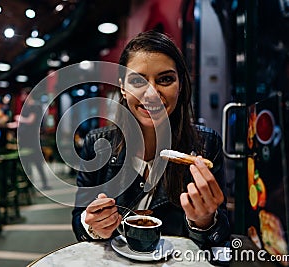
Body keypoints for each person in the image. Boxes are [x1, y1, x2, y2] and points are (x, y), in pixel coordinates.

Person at [72, 30, 230, 248]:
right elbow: (78, 221)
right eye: (138, 81)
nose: (152, 93)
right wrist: (92, 225)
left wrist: (204, 222)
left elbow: (220, 235)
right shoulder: (97, 144)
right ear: (123, 88)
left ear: (181, 85)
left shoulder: (206, 145)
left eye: (165, 79)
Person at [17, 88, 50, 190]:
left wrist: (19, 119)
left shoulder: (35, 106)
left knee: (37, 161)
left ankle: (44, 183)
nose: (22, 97)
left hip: (32, 139)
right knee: (26, 162)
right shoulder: (27, 107)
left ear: (28, 95)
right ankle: (29, 184)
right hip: (25, 139)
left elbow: (31, 120)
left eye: (23, 95)